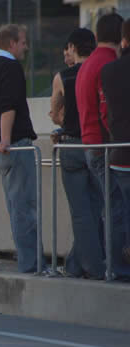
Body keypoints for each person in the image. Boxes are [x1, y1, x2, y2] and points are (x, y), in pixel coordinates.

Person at [0, 24, 43, 273]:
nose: (26, 47)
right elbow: (7, 106)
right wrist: (4, 139)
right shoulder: (11, 67)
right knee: (25, 209)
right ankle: (32, 265)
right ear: (11, 43)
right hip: (14, 147)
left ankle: (29, 263)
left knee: (16, 208)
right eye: (23, 42)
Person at [75, 13, 130, 279]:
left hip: (89, 143)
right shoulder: (108, 64)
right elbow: (107, 110)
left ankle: (107, 265)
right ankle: (118, 267)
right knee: (116, 210)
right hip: (105, 146)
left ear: (97, 36)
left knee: (107, 209)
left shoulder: (88, 64)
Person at [48, 28, 104, 279]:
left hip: (70, 146)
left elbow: (55, 114)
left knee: (81, 213)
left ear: (72, 47)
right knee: (99, 208)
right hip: (97, 145)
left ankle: (91, 268)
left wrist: (63, 123)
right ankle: (77, 265)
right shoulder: (99, 71)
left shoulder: (62, 77)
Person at [101, 18, 130, 264]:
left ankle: (118, 266)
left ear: (124, 41)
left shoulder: (109, 71)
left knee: (119, 213)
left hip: (119, 155)